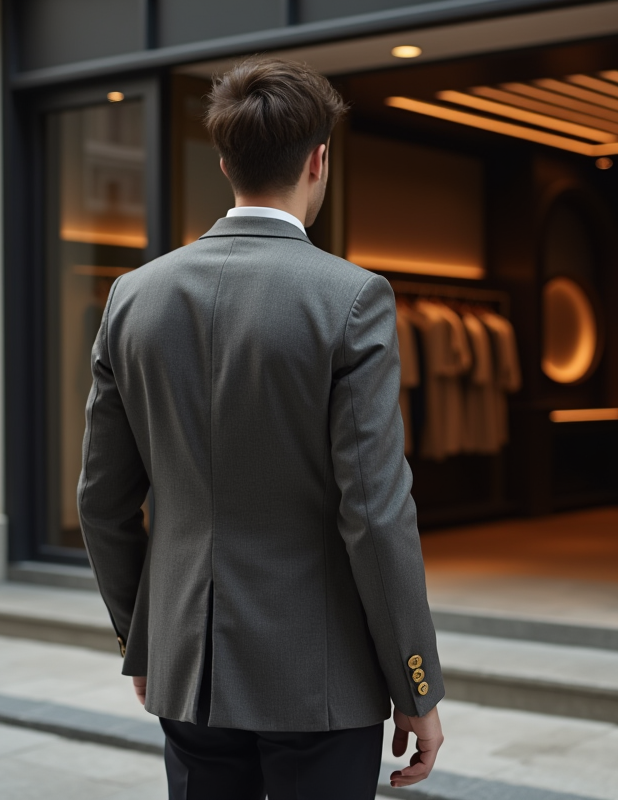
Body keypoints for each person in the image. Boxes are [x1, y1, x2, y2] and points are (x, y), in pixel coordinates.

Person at [77, 57, 444, 799]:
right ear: (319, 161)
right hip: (320, 676)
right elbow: (373, 514)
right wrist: (416, 680)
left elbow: (102, 501)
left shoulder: (132, 298)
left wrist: (142, 640)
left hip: (188, 662)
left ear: (224, 161)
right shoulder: (351, 299)